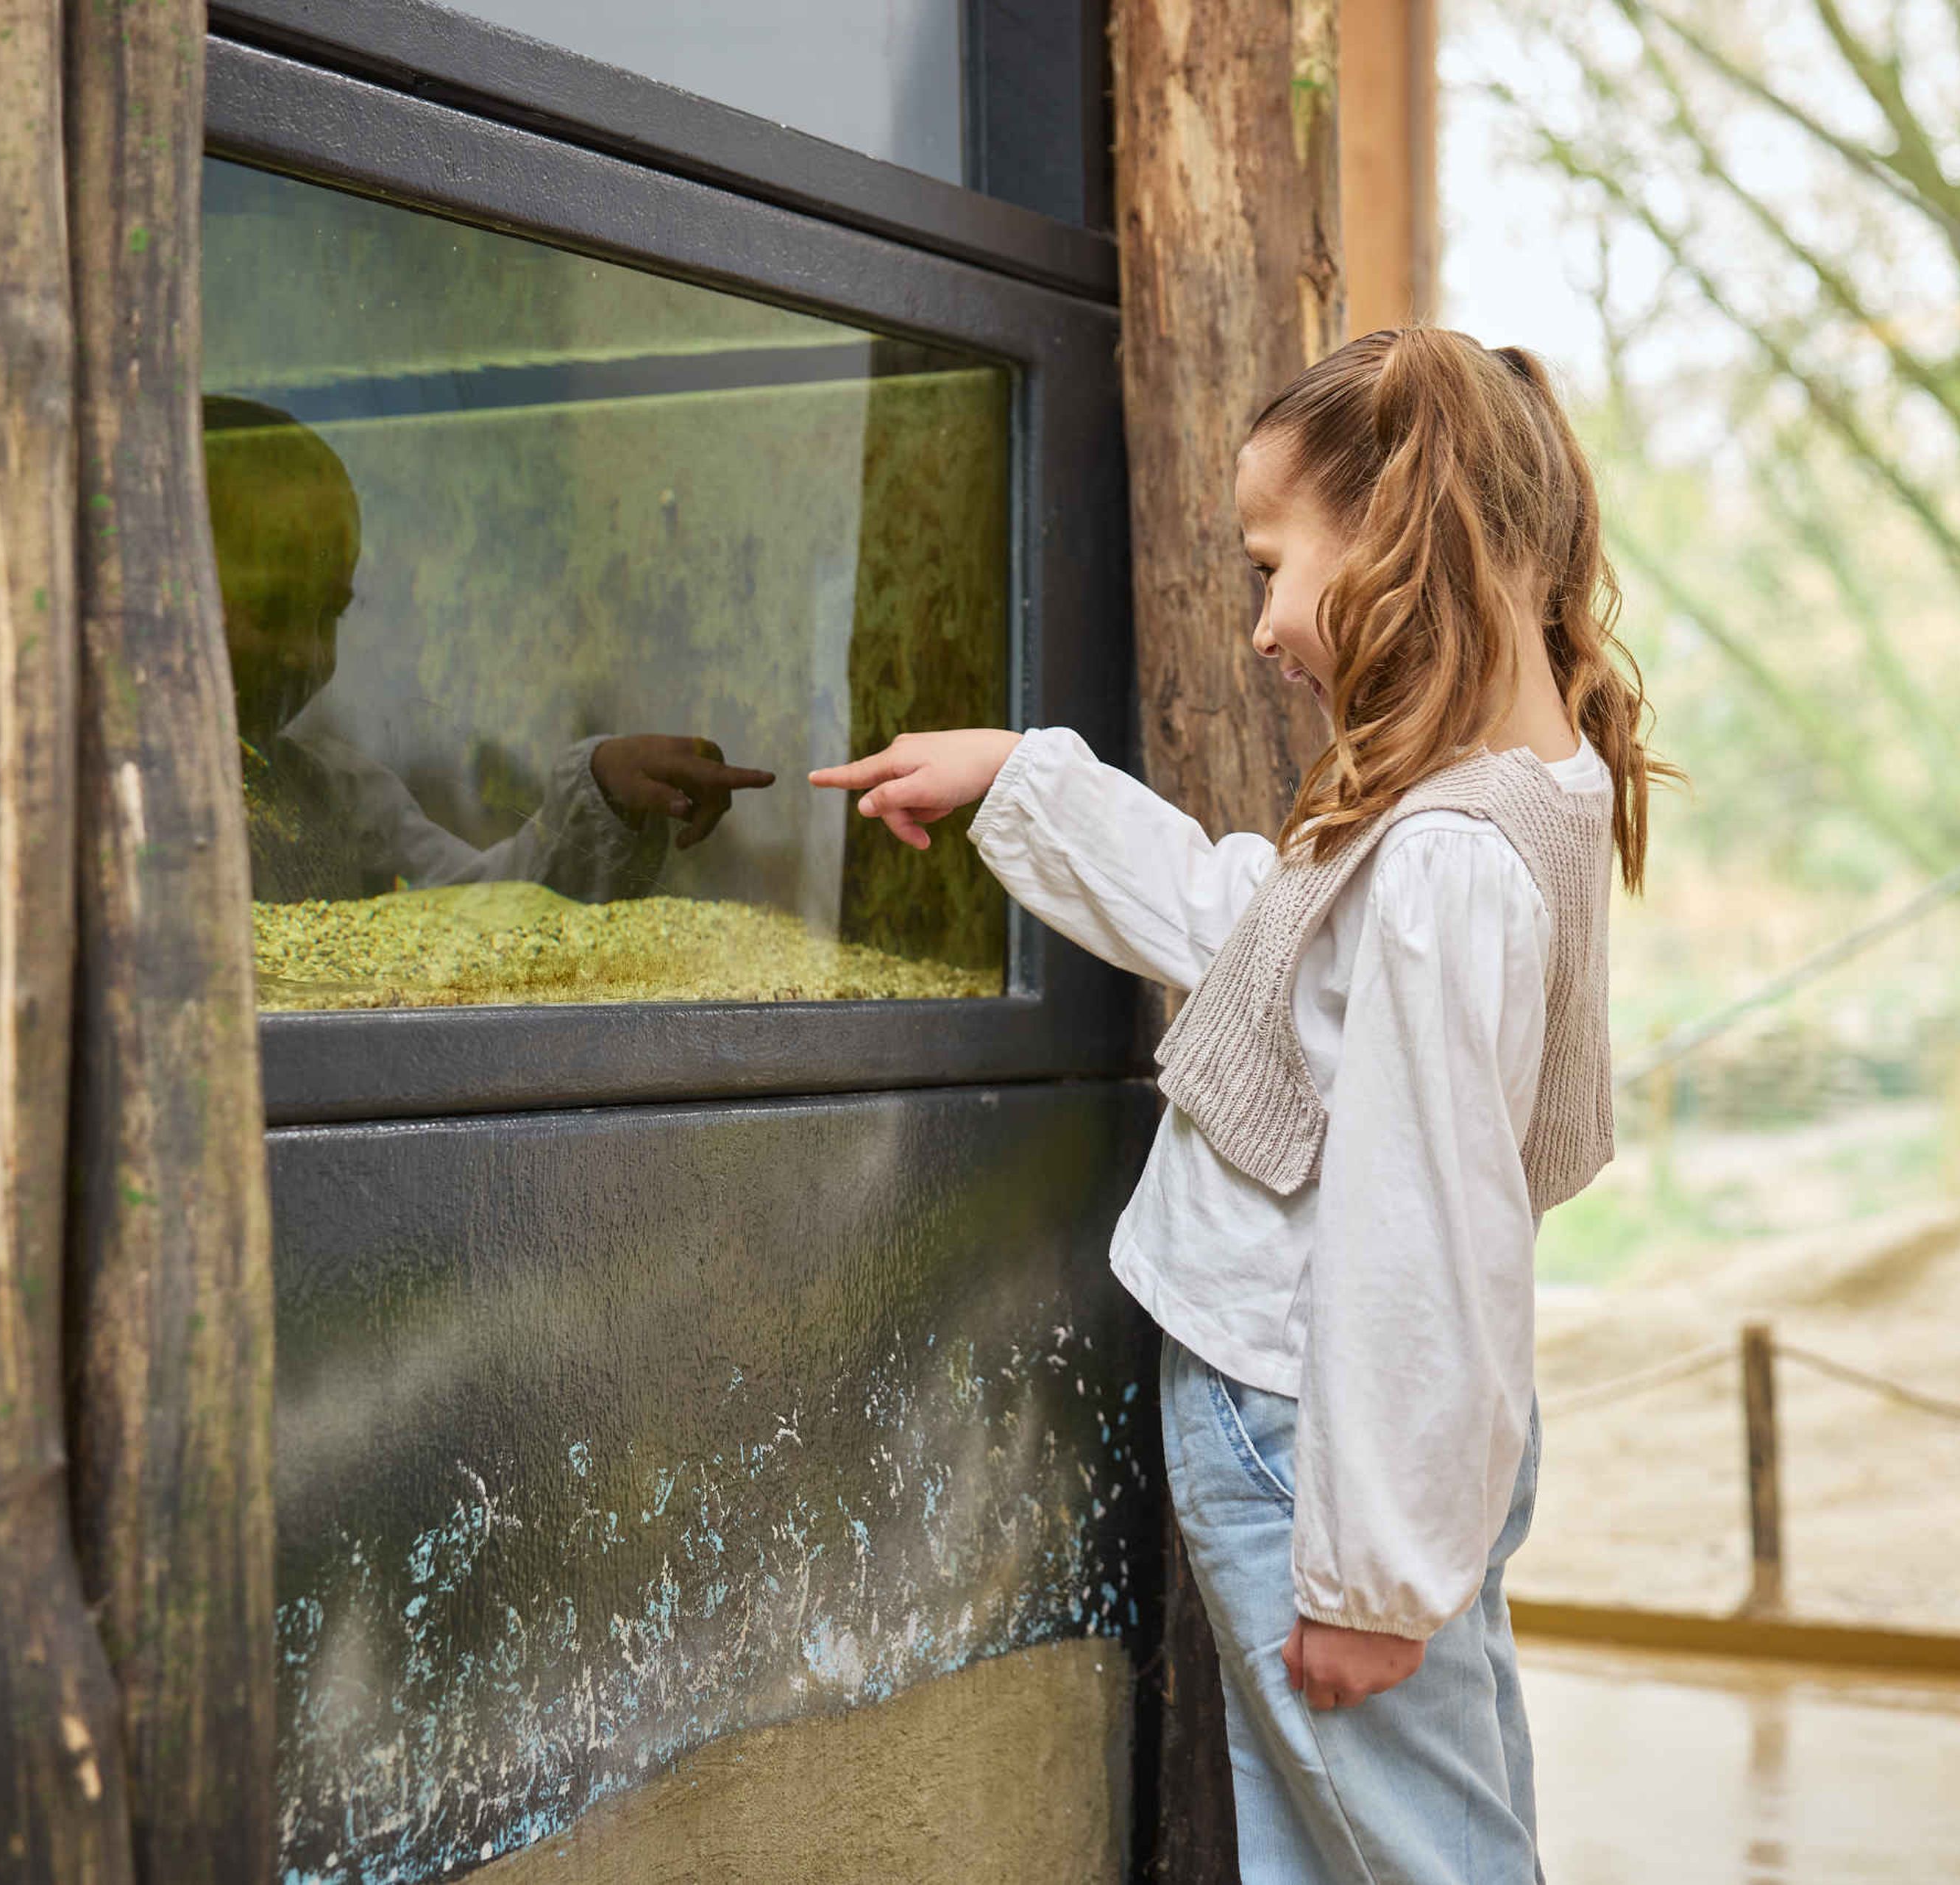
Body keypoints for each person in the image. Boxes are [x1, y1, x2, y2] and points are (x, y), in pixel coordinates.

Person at [813, 328, 1666, 1883]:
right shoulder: (1503, 799)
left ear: (1405, 545)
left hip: (1313, 1436)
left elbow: (1426, 1233)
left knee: (1418, 1859)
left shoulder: (1446, 861)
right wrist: (1023, 779)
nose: (1266, 624)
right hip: (1345, 1435)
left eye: (1277, 564)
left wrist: (1368, 1578)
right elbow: (1262, 942)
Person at [203, 396, 773, 903]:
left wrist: (601, 792)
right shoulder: (123, 806)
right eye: (274, 610)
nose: (307, 654)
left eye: (329, 616)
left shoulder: (340, 802)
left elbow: (484, 917)